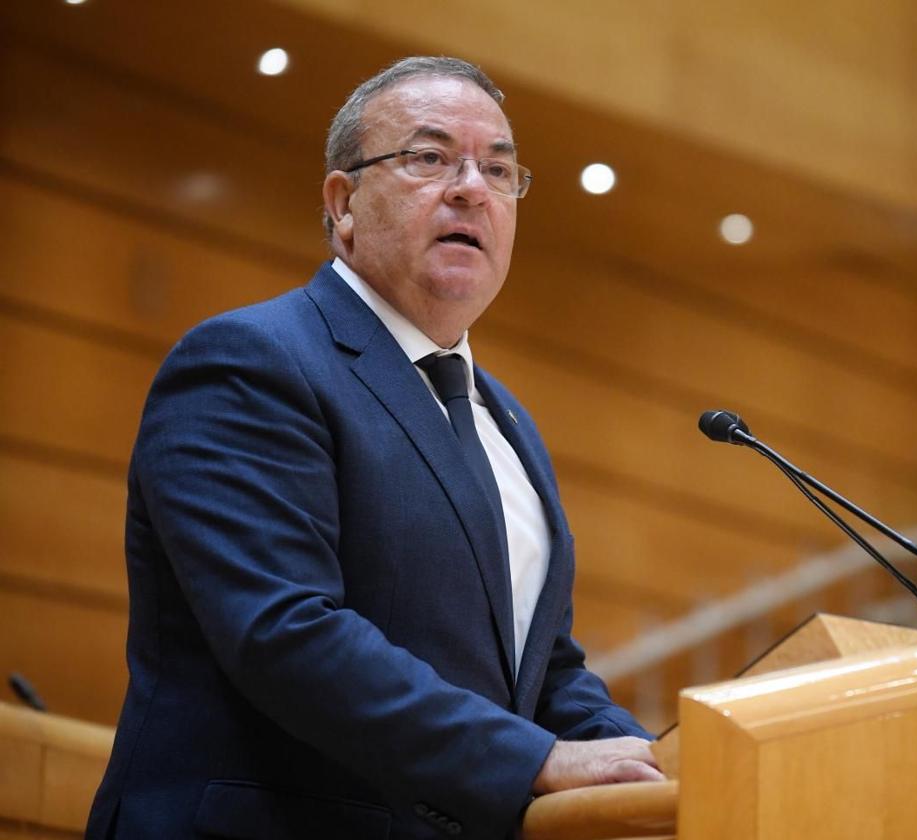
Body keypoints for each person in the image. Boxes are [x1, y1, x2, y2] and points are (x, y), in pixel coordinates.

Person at [86, 56, 662, 840]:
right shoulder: (252, 360)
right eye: (429, 158)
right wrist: (532, 760)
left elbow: (542, 670)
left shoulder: (511, 424)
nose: (471, 187)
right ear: (343, 201)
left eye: (498, 168)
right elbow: (285, 632)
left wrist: (668, 769)